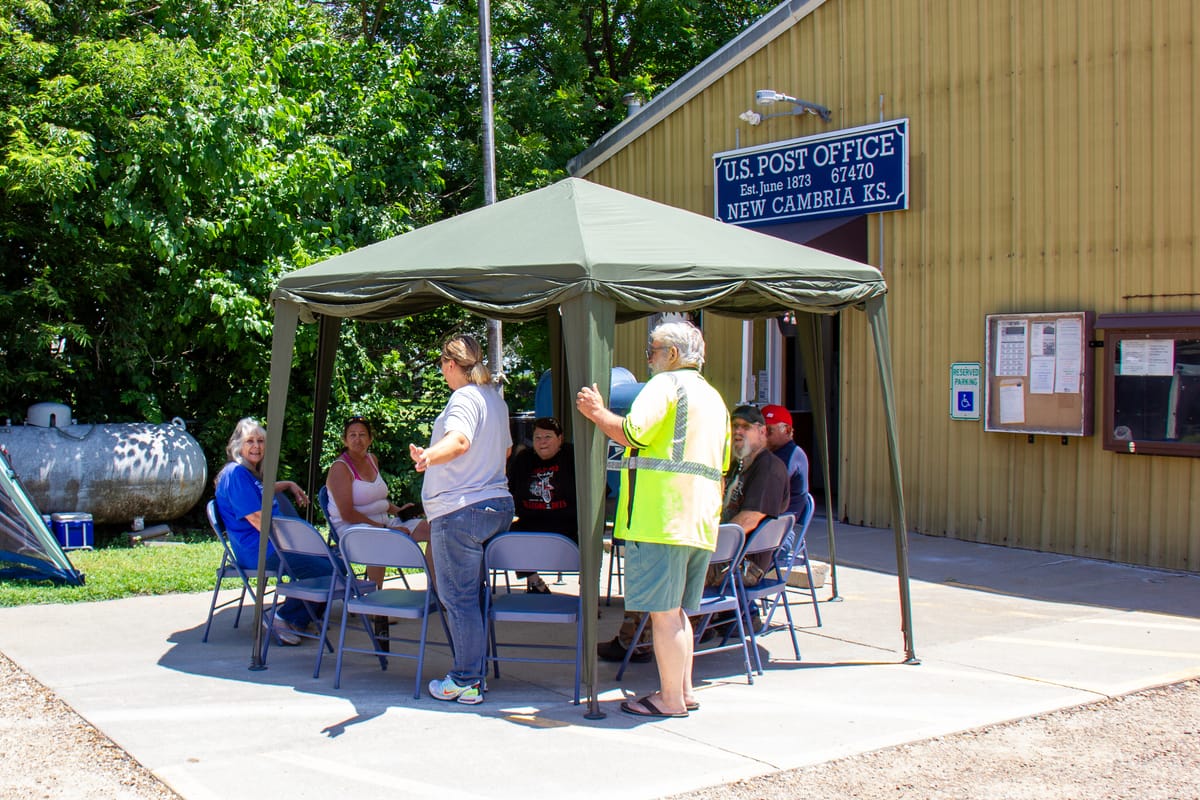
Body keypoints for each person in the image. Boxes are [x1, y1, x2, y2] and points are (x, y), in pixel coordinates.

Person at [577, 319, 730, 719]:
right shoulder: (713, 397)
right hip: (698, 518)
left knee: (663, 615)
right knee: (678, 612)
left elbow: (633, 432)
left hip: (660, 515)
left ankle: (670, 699)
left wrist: (597, 413)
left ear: (673, 355)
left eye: (653, 350)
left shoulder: (665, 385)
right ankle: (683, 691)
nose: (648, 359)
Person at [598, 404, 788, 663]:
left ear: (762, 432)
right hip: (723, 554)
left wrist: (706, 544)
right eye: (735, 427)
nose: (738, 432)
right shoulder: (737, 466)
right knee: (655, 562)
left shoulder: (769, 468)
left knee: (658, 571)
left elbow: (749, 520)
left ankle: (638, 643)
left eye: (746, 427)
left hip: (742, 565)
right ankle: (654, 638)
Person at [410, 333, 514, 705]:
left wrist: (428, 457)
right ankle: (476, 670)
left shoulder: (464, 398)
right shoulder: (494, 401)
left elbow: (459, 441)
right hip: (496, 505)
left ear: (450, 365)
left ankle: (466, 679)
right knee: (474, 596)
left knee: (458, 598)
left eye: (442, 365)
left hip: (460, 512)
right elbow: (506, 450)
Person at [214, 417, 331, 647]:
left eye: (260, 441)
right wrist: (297, 541)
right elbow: (259, 521)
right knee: (327, 570)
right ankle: (282, 617)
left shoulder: (247, 473)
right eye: (250, 441)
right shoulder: (235, 474)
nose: (256, 446)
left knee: (330, 561)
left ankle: (300, 617)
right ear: (238, 445)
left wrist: (286, 484)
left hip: (274, 545)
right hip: (261, 550)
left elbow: (262, 490)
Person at [325, 415, 430, 587]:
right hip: (353, 531)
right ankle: (375, 601)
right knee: (377, 540)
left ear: (370, 439)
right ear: (345, 440)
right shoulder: (340, 468)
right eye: (352, 435)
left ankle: (437, 591)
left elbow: (379, 499)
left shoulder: (372, 459)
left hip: (383, 524)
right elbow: (347, 514)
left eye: (362, 435)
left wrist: (399, 511)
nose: (357, 439)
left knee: (431, 530)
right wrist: (385, 529)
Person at [507, 416, 577, 594]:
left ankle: (587, 597)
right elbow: (509, 490)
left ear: (559, 439)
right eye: (537, 438)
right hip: (530, 524)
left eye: (547, 437)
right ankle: (535, 582)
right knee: (508, 535)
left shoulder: (573, 456)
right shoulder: (523, 459)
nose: (542, 442)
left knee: (587, 536)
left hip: (567, 527)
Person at [761, 404, 809, 518]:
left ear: (787, 430)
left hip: (781, 523)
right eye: (761, 431)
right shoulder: (770, 452)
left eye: (769, 430)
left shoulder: (792, 453)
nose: (764, 435)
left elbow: (767, 490)